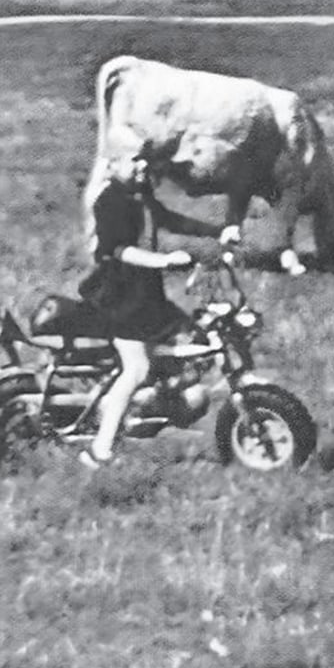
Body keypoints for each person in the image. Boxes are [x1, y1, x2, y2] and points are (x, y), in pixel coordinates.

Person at [77, 156, 239, 468]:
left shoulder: (141, 197)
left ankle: (157, 409)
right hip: (120, 298)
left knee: (190, 341)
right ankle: (100, 450)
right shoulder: (110, 201)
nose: (141, 167)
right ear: (112, 166)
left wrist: (216, 231)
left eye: (142, 161)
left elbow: (171, 220)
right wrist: (163, 261)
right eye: (133, 163)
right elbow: (119, 250)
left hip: (147, 296)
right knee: (136, 368)